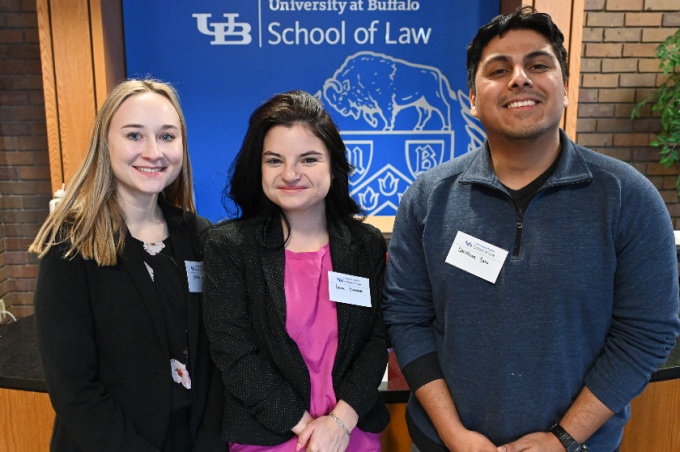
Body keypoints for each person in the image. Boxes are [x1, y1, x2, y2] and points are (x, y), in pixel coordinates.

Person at [382, 7, 680, 452]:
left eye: (538, 65)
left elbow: (647, 333)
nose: (519, 78)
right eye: (499, 70)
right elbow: (407, 320)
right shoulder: (428, 198)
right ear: (472, 97)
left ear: (563, 89)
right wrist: (455, 436)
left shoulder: (628, 197)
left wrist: (564, 438)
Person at [30, 79, 226, 452]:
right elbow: (74, 388)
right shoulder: (71, 243)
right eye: (134, 135)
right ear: (105, 144)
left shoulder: (200, 237)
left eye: (167, 136)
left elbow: (214, 364)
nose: (153, 152)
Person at [202, 90, 389, 451]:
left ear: (333, 166)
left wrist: (339, 422)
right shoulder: (229, 247)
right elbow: (234, 352)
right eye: (274, 160)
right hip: (269, 435)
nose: (290, 174)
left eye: (308, 159)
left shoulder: (365, 244)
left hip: (353, 431)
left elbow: (377, 339)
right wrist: (308, 430)